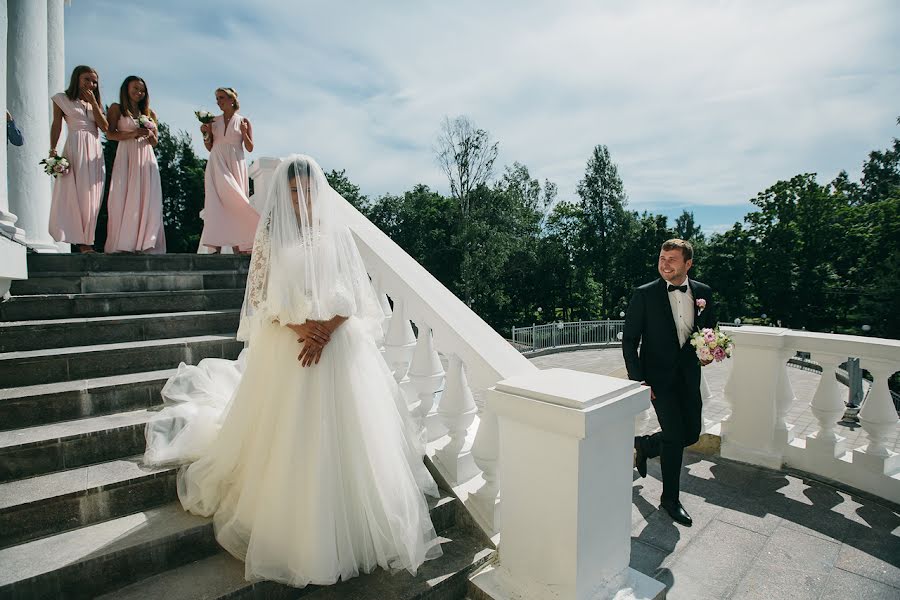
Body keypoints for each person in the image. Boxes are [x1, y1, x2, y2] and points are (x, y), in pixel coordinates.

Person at [144, 155, 442, 587]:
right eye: (293, 191)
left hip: (339, 344)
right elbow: (261, 298)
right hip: (291, 343)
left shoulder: (335, 233)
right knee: (292, 435)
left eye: (308, 190)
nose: (302, 198)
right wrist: (305, 328)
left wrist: (327, 329)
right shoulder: (269, 235)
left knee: (350, 438)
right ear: (283, 194)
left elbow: (355, 294)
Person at [623, 238, 716, 526]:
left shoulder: (703, 293)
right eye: (662, 258)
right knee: (675, 437)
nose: (665, 263)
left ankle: (646, 446)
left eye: (672, 259)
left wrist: (709, 352)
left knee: (691, 434)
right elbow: (629, 341)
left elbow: (710, 330)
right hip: (657, 380)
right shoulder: (644, 294)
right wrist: (639, 381)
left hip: (689, 376)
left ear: (688, 264)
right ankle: (670, 499)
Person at [48, 65, 109, 253]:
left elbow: (105, 127)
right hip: (75, 147)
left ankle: (87, 240)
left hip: (94, 149)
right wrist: (52, 149)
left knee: (93, 196)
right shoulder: (62, 99)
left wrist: (94, 103)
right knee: (77, 193)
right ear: (77, 79)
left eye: (94, 81)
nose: (91, 84)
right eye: (87, 80)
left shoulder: (94, 103)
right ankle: (81, 242)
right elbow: (57, 124)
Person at [104, 76, 166, 254]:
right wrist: (133, 134)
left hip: (146, 156)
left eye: (142, 90)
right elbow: (110, 134)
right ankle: (125, 242)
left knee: (148, 197)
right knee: (124, 195)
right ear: (126, 89)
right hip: (126, 155)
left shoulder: (150, 113)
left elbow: (155, 142)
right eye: (135, 89)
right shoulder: (117, 109)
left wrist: (148, 133)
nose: (139, 93)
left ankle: (146, 242)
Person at [197, 87, 258, 254]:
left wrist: (245, 133)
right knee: (215, 202)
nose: (218, 101)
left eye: (222, 97)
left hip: (235, 163)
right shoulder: (213, 121)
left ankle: (241, 245)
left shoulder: (243, 120)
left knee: (236, 201)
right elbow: (210, 147)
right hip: (216, 163)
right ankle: (214, 247)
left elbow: (250, 147)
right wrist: (206, 133)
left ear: (232, 99)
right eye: (217, 98)